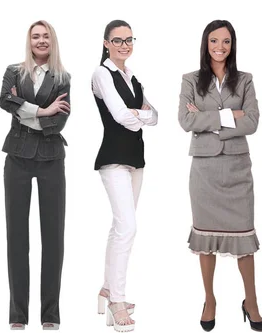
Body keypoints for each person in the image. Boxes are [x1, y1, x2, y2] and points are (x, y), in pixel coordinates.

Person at [179, 19, 262, 333]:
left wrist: (207, 119)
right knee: (205, 242)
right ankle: (209, 300)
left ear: (233, 45)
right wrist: (231, 115)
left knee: (244, 241)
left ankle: (251, 301)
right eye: (214, 41)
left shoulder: (244, 80)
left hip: (237, 169)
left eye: (226, 41)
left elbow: (253, 121)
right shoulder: (190, 79)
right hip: (204, 172)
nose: (220, 47)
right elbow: (185, 121)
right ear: (206, 44)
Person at [0, 20, 71, 331]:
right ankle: (18, 315)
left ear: (52, 41)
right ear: (29, 42)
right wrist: (42, 111)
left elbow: (60, 122)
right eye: (35, 37)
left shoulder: (63, 77)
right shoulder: (14, 71)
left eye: (46, 36)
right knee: (16, 236)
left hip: (51, 158)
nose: (41, 41)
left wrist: (23, 108)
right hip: (17, 157)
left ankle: (50, 316)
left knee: (53, 237)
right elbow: (4, 101)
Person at [92, 19, 158, 333]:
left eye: (129, 40)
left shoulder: (132, 77)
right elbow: (120, 116)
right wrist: (138, 115)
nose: (124, 45)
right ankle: (117, 300)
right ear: (106, 43)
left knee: (121, 228)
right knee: (128, 227)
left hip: (136, 161)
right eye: (117, 40)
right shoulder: (101, 74)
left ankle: (107, 289)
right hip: (113, 160)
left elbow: (154, 116)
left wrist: (140, 115)